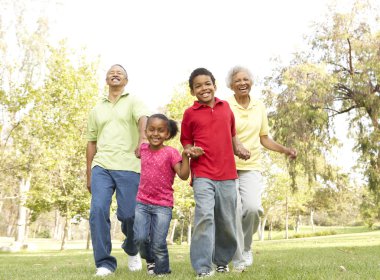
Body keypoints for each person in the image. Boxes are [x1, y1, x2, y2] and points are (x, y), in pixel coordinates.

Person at [226, 66, 297, 271]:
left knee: (252, 208)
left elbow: (264, 137)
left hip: (252, 165)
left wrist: (284, 150)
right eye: (238, 80)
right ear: (231, 85)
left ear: (252, 82)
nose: (242, 83)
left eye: (246, 79)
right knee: (234, 210)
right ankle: (236, 253)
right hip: (228, 166)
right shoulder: (225, 105)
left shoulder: (259, 106)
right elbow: (222, 134)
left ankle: (246, 247)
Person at [180, 67, 250, 278]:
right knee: (205, 217)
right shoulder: (190, 113)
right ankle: (202, 267)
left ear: (214, 85)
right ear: (192, 91)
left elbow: (232, 134)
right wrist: (189, 150)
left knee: (227, 220)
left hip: (227, 173)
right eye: (198, 86)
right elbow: (185, 141)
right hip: (202, 173)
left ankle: (221, 261)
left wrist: (239, 148)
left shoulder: (226, 107)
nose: (203, 88)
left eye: (207, 84)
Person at [86, 64, 151, 277]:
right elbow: (91, 143)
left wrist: (142, 138)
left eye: (120, 73)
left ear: (126, 81)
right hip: (101, 166)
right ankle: (104, 263)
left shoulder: (133, 101)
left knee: (130, 215)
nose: (115, 74)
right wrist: (89, 173)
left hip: (129, 165)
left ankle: (132, 248)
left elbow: (144, 119)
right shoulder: (97, 109)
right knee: (97, 211)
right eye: (111, 72)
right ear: (106, 80)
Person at [133, 113, 203, 276]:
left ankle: (162, 271)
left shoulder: (171, 153)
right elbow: (137, 150)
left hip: (163, 205)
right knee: (140, 238)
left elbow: (184, 175)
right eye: (151, 130)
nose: (155, 134)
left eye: (160, 130)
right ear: (146, 131)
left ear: (167, 134)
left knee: (158, 242)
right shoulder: (142, 149)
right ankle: (150, 260)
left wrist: (186, 156)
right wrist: (139, 140)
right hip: (141, 202)